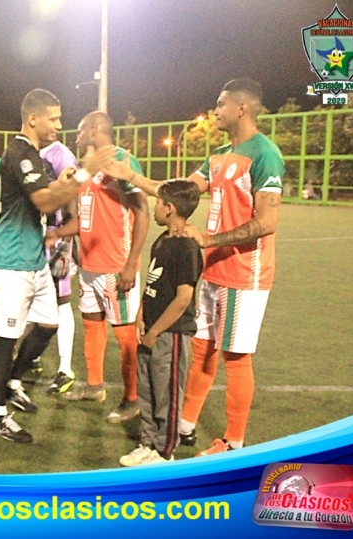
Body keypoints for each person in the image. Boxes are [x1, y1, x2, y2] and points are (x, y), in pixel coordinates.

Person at [107, 78, 284, 456]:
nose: (215, 110)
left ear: (242, 108)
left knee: (235, 357)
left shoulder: (265, 154)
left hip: (244, 272)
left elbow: (267, 221)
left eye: (221, 104)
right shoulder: (218, 155)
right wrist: (133, 177)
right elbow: (177, 192)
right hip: (213, 270)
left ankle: (234, 442)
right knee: (202, 349)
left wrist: (210, 240)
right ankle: (185, 425)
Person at [0, 89, 115, 443]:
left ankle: (12, 382)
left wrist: (64, 181)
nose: (59, 124)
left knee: (48, 323)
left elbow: (42, 192)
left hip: (32, 257)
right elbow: (44, 202)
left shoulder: (35, 155)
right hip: (11, 261)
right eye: (53, 118)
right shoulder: (19, 153)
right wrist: (85, 174)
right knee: (6, 337)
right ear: (33, 119)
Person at [51, 111, 149, 426]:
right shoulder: (87, 169)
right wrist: (57, 233)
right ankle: (94, 386)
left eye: (81, 130)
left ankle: (132, 399)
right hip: (89, 266)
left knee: (125, 335)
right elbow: (86, 219)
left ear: (94, 130)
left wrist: (131, 264)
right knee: (92, 324)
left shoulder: (122, 161)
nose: (77, 136)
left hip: (115, 266)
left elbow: (142, 213)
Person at [119, 180, 203, 466]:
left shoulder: (186, 247)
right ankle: (147, 443)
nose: (154, 208)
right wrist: (141, 314)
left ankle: (165, 452)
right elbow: (153, 283)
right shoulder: (162, 241)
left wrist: (155, 331)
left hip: (170, 334)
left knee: (167, 393)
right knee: (147, 390)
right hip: (150, 329)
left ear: (170, 208)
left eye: (158, 203)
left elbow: (183, 298)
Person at [39, 138, 79, 394]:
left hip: (55, 236)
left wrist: (65, 245)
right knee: (32, 295)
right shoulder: (30, 149)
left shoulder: (60, 153)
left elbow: (71, 197)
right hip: (35, 234)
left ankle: (65, 369)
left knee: (61, 299)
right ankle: (31, 357)